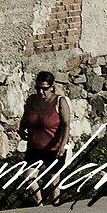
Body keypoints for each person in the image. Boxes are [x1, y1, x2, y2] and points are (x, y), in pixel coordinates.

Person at [17, 70, 71, 205]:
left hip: (54, 148)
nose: (41, 92)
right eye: (38, 88)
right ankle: (40, 207)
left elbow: (66, 125)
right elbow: (25, 118)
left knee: (53, 183)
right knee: (28, 178)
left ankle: (54, 212)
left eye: (44, 89)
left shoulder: (59, 102)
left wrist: (62, 146)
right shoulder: (31, 100)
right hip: (35, 147)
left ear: (52, 87)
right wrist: (21, 129)